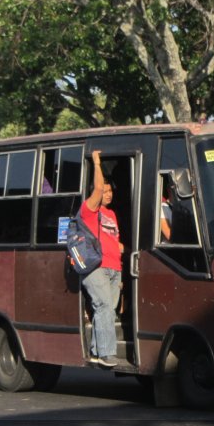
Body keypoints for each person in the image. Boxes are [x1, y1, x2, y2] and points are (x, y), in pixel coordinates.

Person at [80, 150, 123, 367]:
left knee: (107, 309)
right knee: (104, 304)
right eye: (104, 191)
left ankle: (97, 351)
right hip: (95, 267)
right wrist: (97, 163)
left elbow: (115, 240)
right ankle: (107, 353)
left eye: (109, 191)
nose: (107, 193)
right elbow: (96, 188)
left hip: (114, 268)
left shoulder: (111, 215)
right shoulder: (89, 211)